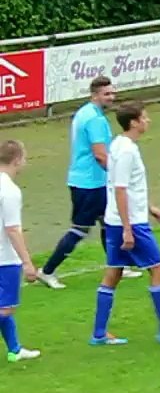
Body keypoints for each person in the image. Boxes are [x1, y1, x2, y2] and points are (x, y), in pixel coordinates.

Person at [92, 101, 160, 346]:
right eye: (145, 117)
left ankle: (99, 333)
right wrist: (129, 228)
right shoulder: (127, 151)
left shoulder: (118, 144)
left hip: (117, 219)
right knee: (159, 270)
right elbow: (120, 189)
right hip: (130, 224)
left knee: (113, 273)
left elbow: (124, 185)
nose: (148, 121)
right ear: (134, 122)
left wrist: (150, 208)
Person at [38, 76, 141, 288]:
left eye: (112, 93)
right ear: (94, 95)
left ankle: (119, 264)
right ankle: (47, 271)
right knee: (80, 229)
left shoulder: (85, 113)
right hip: (90, 183)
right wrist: (116, 176)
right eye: (107, 94)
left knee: (108, 222)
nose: (111, 98)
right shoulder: (95, 120)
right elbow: (100, 155)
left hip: (87, 180)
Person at [0, 140, 40, 362]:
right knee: (5, 309)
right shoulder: (10, 191)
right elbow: (13, 229)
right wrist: (27, 262)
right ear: (17, 160)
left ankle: (14, 349)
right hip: (4, 259)